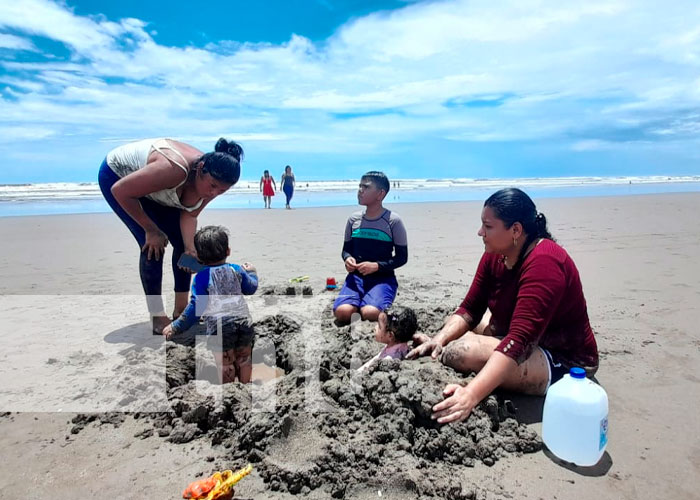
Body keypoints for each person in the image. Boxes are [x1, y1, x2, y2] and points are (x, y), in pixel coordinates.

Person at [407, 188, 598, 425]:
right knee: (454, 326)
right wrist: (439, 339)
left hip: (564, 360)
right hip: (520, 335)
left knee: (463, 351)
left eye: (487, 226)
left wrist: (471, 394)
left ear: (516, 230)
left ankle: (464, 360)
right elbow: (470, 308)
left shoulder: (545, 262)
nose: (480, 233)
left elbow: (520, 340)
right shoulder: (496, 254)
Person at [98, 137, 243, 334]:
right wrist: (150, 229)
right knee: (152, 244)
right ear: (200, 168)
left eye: (222, 191)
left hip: (154, 186)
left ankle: (181, 310)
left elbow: (190, 215)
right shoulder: (173, 169)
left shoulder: (209, 186)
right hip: (117, 177)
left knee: (184, 246)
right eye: (212, 186)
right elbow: (121, 191)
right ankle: (157, 316)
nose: (214, 193)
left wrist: (190, 249)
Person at [163, 226, 258, 384]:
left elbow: (197, 308)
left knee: (225, 363)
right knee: (244, 358)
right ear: (228, 251)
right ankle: (245, 385)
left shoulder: (201, 277)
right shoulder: (236, 270)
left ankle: (229, 390)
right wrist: (252, 273)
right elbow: (250, 288)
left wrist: (176, 325)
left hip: (220, 328)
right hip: (244, 323)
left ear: (199, 256)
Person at [333, 171, 408, 324]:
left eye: (366, 187)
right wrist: (348, 259)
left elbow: (402, 258)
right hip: (356, 278)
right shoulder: (354, 220)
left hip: (383, 279)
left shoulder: (393, 221)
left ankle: (373, 301)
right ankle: (359, 301)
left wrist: (376, 266)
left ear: (380, 194)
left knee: (370, 313)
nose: (360, 190)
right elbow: (346, 250)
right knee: (342, 313)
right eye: (359, 186)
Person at [358, 307, 418, 372]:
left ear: (390, 336)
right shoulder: (398, 346)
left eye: (379, 326)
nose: (375, 327)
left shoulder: (389, 359)